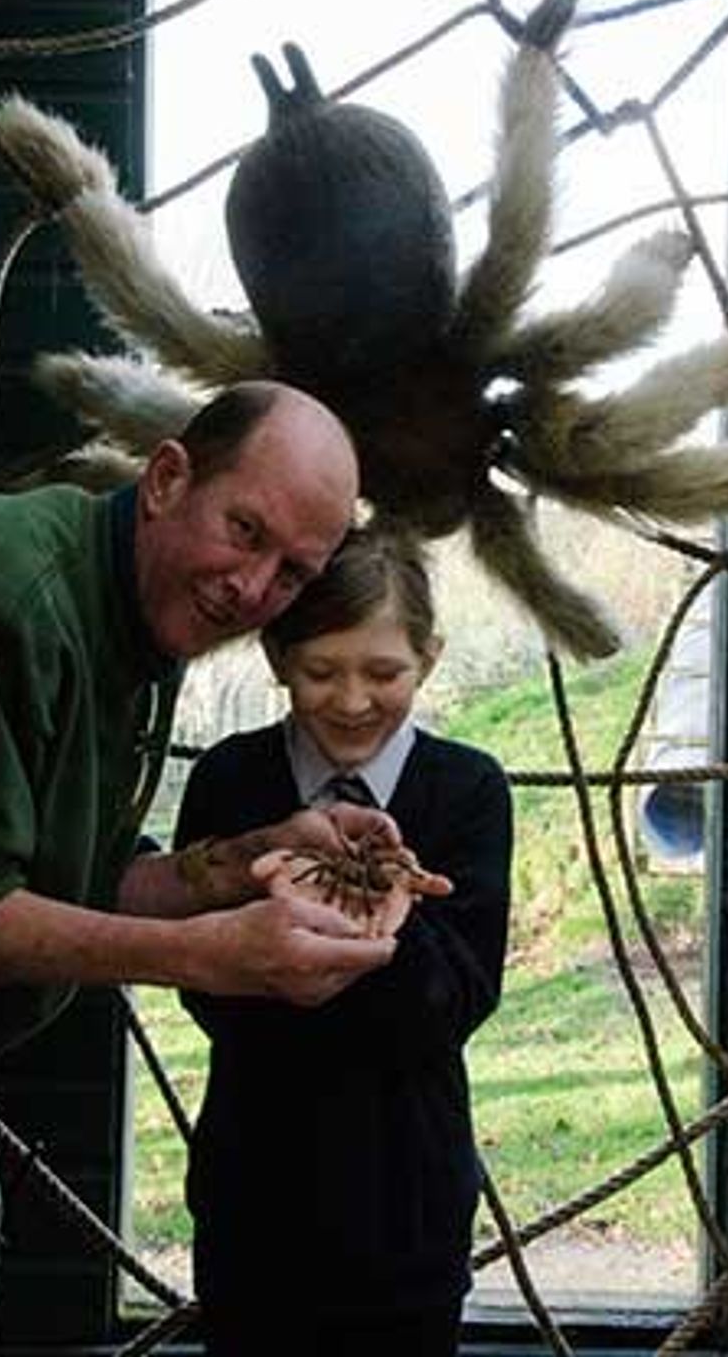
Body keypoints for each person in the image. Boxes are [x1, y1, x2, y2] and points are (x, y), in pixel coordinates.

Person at [0, 379, 405, 1356]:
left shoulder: (135, 625)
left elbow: (82, 874)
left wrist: (249, 861)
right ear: (166, 477)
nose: (250, 588)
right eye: (243, 530)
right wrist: (213, 955)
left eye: (291, 573)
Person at [175, 525, 513, 1357]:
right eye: (322, 670)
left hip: (409, 1196)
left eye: (384, 671)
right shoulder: (230, 780)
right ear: (278, 657)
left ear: (428, 660)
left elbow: (462, 998)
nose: (354, 699)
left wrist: (381, 930)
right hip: (254, 1187)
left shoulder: (469, 789)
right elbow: (201, 985)